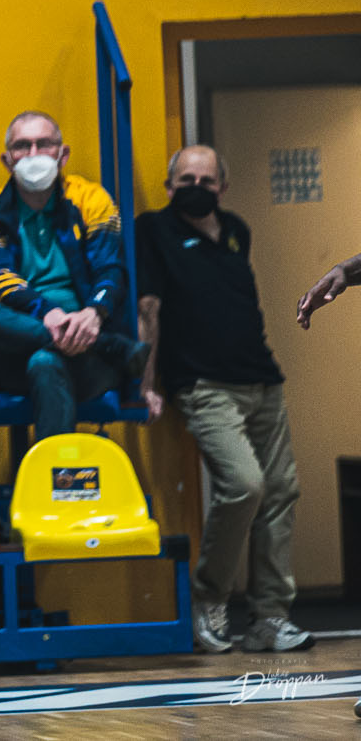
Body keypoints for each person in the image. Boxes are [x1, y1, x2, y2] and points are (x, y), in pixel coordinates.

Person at [136, 147, 310, 655]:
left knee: (281, 491)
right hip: (202, 384)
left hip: (261, 378)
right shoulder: (154, 230)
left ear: (222, 188)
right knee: (244, 485)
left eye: (207, 180)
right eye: (186, 179)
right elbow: (149, 309)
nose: (197, 187)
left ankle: (270, 618)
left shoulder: (236, 230)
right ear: (169, 186)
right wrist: (147, 382)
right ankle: (209, 599)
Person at [0, 111, 150, 440]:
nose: (33, 155)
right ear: (7, 160)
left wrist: (93, 314)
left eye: (43, 144)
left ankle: (53, 474)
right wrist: (50, 315)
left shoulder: (92, 199)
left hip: (88, 359)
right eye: (22, 146)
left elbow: (110, 269)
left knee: (45, 362)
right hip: (17, 351)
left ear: (63, 154)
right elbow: (0, 278)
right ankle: (107, 345)